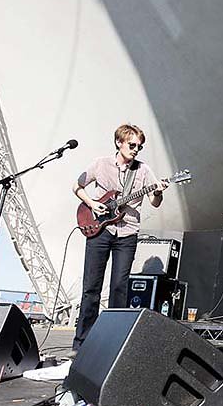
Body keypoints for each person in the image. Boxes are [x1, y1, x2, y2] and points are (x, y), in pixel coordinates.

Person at [72, 124, 168, 349]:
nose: (136, 150)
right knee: (91, 287)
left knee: (119, 287)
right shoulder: (100, 164)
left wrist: (157, 192)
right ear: (119, 142)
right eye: (132, 145)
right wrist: (92, 203)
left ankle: (112, 343)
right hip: (99, 230)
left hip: (127, 233)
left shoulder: (143, 170)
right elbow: (77, 186)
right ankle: (81, 344)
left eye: (139, 147)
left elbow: (155, 202)